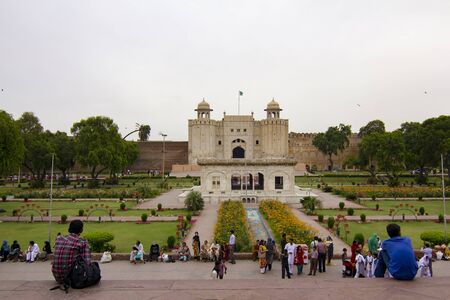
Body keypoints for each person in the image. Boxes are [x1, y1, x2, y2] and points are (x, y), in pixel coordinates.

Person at [52, 220, 99, 286]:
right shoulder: (82, 242)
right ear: (81, 230)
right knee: (95, 268)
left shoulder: (59, 238)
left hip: (58, 277)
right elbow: (87, 262)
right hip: (73, 279)